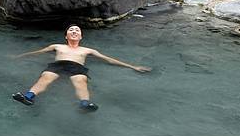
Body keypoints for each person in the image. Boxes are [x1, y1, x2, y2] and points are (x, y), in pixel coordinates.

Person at [12, 24, 151, 111]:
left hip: (77, 66)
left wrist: (133, 66)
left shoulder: (87, 50)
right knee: (45, 78)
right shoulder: (57, 46)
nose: (74, 31)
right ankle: (29, 97)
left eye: (77, 30)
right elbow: (39, 52)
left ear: (81, 36)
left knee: (81, 82)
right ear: (66, 36)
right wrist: (19, 56)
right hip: (58, 64)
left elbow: (107, 59)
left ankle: (85, 104)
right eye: (71, 30)